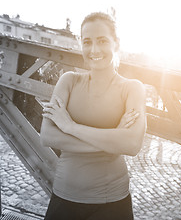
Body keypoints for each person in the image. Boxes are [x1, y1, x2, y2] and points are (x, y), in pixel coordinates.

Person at [40, 12, 147, 220]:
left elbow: (132, 145)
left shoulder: (132, 88)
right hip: (65, 197)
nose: (94, 50)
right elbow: (47, 135)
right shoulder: (68, 81)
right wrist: (114, 138)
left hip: (112, 203)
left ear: (116, 44)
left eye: (102, 41)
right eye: (87, 42)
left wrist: (71, 127)